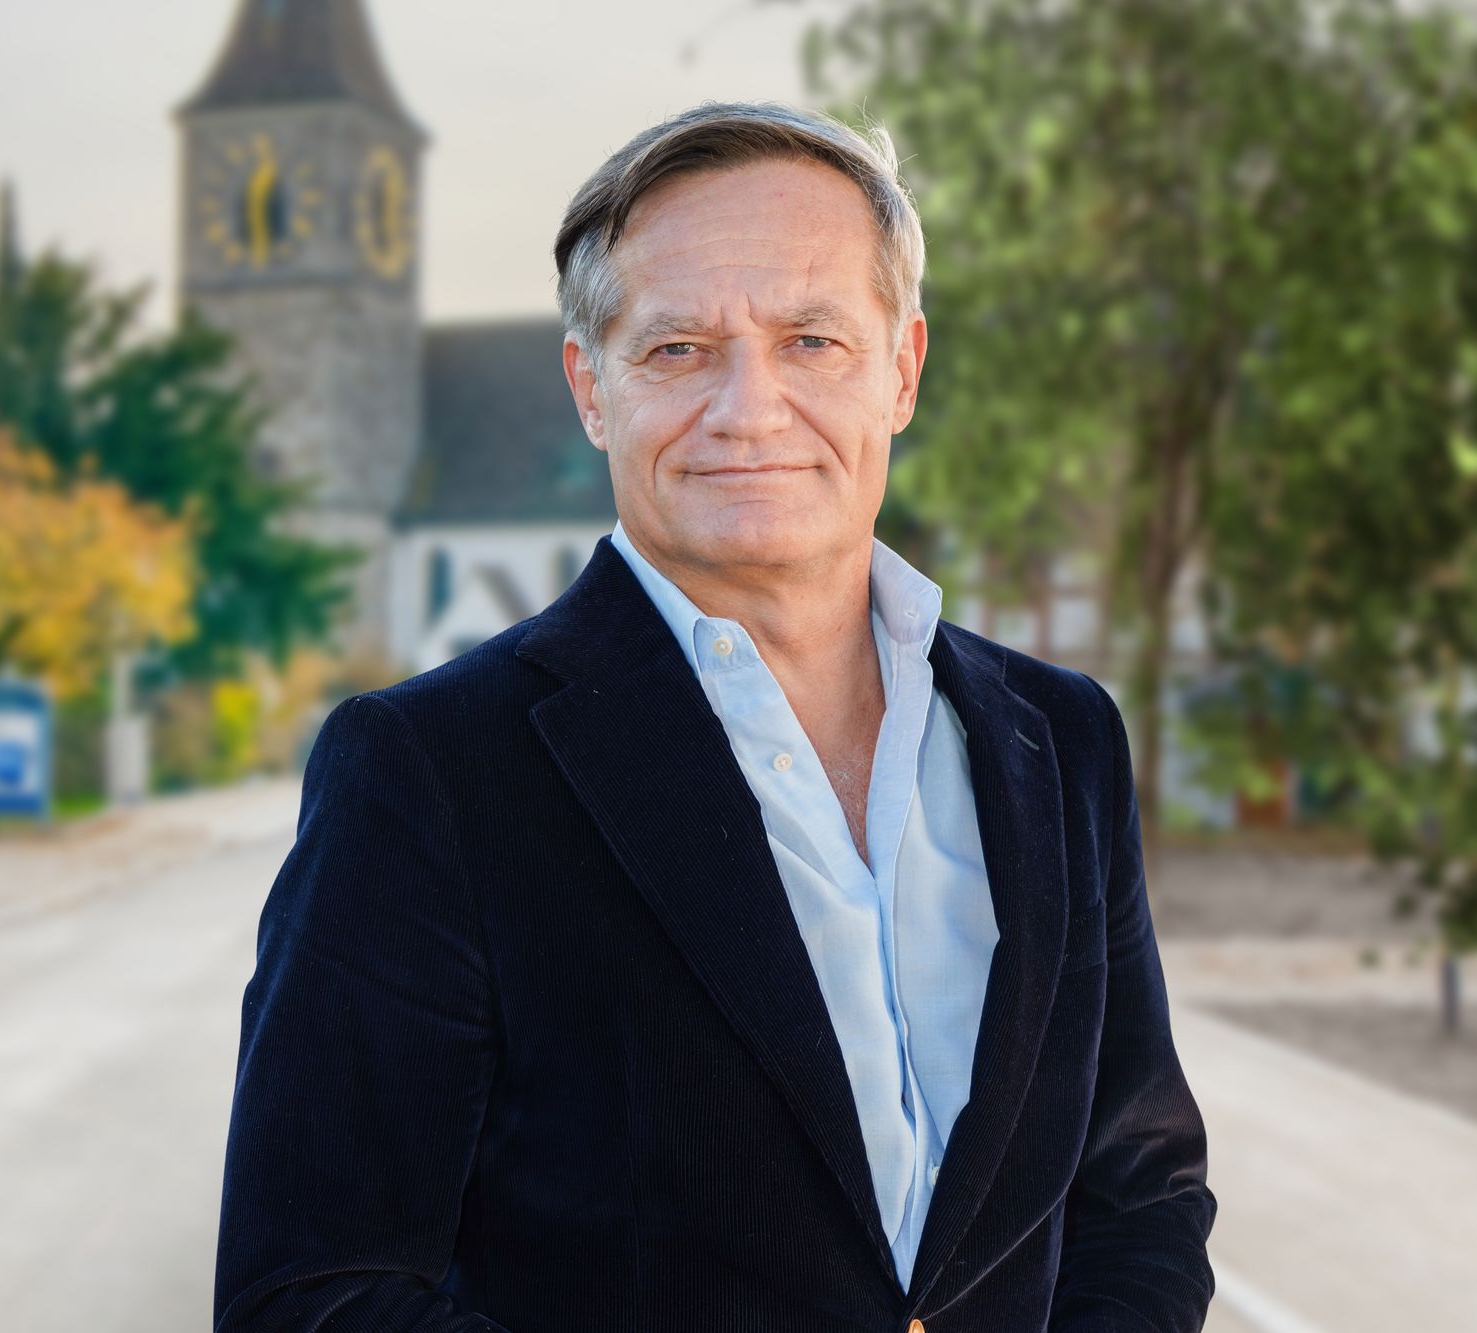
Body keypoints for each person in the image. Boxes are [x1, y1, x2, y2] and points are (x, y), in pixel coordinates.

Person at [212, 100, 1216, 1333]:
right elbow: (311, 1295)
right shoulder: (427, 770)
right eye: (677, 348)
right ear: (591, 389)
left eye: (811, 340)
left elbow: (1140, 1192)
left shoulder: (1059, 742)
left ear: (901, 369)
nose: (748, 408)